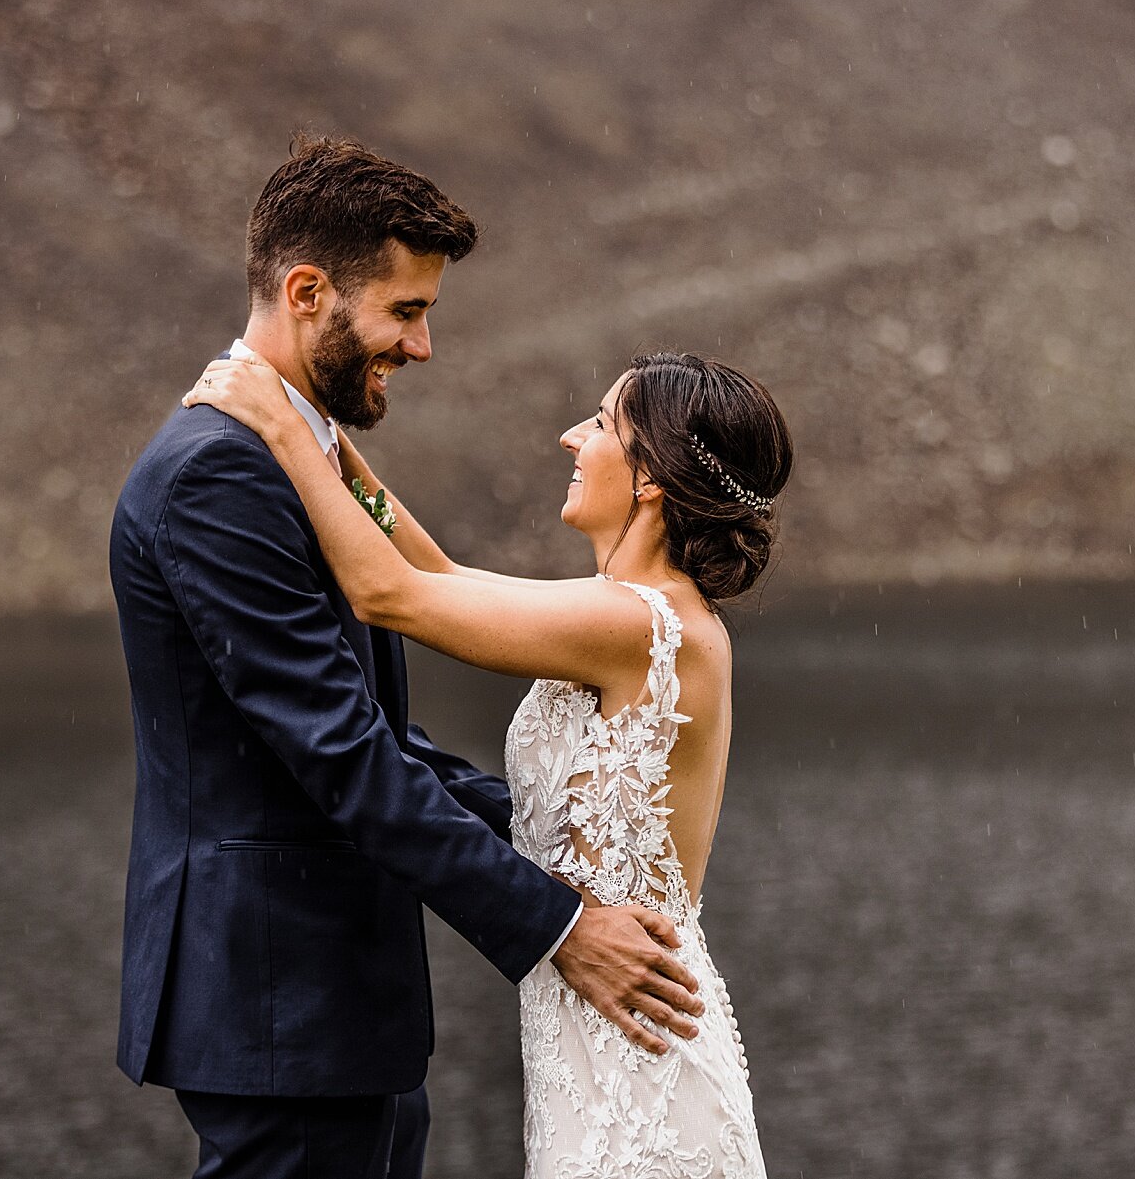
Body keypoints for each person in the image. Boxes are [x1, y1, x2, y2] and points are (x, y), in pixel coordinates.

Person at [108, 136, 705, 1179]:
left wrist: (575, 855)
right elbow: (343, 754)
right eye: (407, 310)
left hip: (334, 1011)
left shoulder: (294, 459)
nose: (421, 346)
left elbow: (381, 735)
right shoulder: (219, 477)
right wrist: (561, 925)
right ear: (306, 291)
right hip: (278, 1008)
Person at [184, 343, 792, 1178]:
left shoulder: (643, 627)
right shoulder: (631, 614)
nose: (572, 437)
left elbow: (387, 594)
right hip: (594, 1041)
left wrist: (282, 432)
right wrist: (332, 444)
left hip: (637, 1056)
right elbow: (441, 573)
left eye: (604, 422)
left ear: (650, 477)